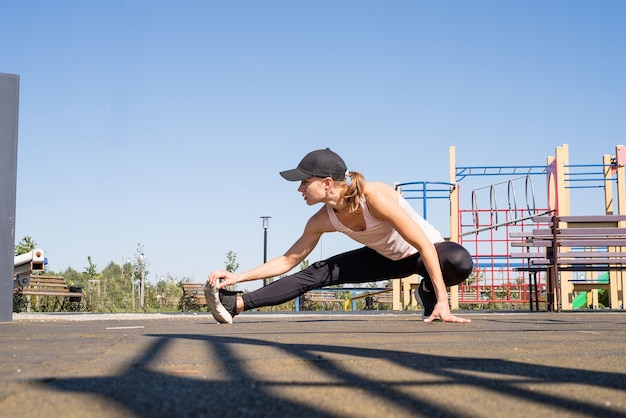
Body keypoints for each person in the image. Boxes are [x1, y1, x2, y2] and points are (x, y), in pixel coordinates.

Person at [206, 148, 473, 324]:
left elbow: (423, 244)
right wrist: (239, 277)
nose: (299, 189)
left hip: (426, 253)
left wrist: (442, 301)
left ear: (327, 183)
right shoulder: (322, 219)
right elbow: (288, 260)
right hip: (385, 258)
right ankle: (235, 304)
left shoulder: (374, 197)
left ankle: (426, 290)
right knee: (316, 272)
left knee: (459, 261)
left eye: (304, 182)